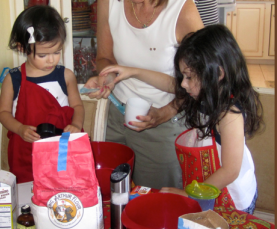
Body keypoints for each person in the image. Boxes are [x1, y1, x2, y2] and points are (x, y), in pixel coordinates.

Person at [101, 24, 261, 213]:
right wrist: (133, 72)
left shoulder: (229, 114)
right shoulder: (204, 93)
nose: (183, 84)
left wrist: (189, 194)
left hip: (233, 197)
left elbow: (230, 171)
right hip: (206, 188)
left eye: (189, 77)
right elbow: (170, 84)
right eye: (182, 76)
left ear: (218, 74)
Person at [85, 0, 204, 190]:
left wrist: (166, 113)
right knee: (111, 195)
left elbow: (201, 81)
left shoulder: (181, 10)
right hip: (116, 116)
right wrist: (107, 77)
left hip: (163, 121)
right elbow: (105, 56)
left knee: (157, 200)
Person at [0, 5, 85, 183]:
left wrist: (76, 124)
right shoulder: (13, 79)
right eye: (43, 55)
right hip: (26, 152)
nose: (51, 60)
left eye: (57, 52)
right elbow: (3, 113)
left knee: (64, 185)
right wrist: (19, 128)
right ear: (23, 48)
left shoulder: (66, 76)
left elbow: (77, 106)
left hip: (62, 149)